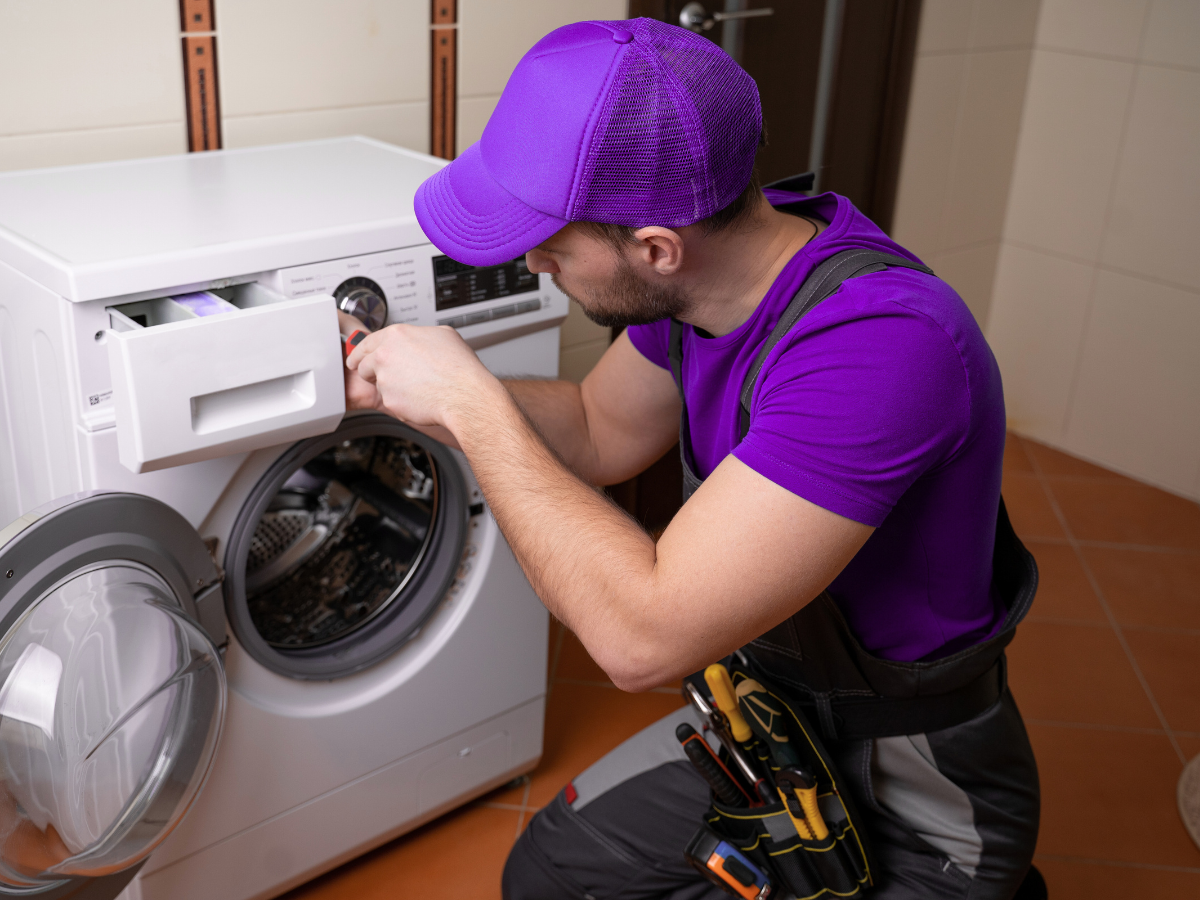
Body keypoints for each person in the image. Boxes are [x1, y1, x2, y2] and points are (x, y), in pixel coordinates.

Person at [342, 17, 1042, 900]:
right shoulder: (706, 288)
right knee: (551, 872)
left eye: (553, 243)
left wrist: (475, 411)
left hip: (912, 783)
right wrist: (418, 386)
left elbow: (640, 638)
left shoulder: (882, 346)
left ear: (657, 248)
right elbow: (599, 429)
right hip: (768, 726)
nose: (532, 259)